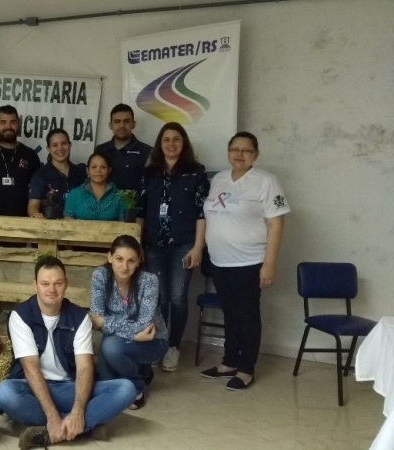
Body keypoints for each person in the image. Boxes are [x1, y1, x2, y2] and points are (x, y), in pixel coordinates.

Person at [0, 257, 136, 450]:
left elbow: (85, 367)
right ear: (35, 285)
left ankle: (53, 431)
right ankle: (81, 427)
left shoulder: (80, 317)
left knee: (126, 389)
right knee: (4, 393)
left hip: (69, 388)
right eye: (45, 284)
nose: (52, 289)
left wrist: (77, 411)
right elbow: (30, 368)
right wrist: (52, 416)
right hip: (32, 388)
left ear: (66, 284)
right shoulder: (21, 316)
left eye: (58, 283)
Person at [200, 131, 290, 390]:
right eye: (234, 149)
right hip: (220, 261)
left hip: (249, 262)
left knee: (247, 315)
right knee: (229, 313)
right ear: (228, 152)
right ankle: (229, 362)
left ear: (256, 155)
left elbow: (276, 224)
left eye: (246, 150)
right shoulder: (219, 179)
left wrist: (269, 264)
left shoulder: (266, 181)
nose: (239, 154)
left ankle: (246, 369)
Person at [137, 122, 210, 372]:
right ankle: (158, 343)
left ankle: (173, 347)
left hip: (183, 245)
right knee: (159, 298)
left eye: (176, 139)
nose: (171, 144)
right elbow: (140, 212)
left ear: (183, 143)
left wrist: (198, 246)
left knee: (178, 298)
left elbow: (202, 213)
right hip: (153, 245)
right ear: (159, 144)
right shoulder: (149, 173)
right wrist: (138, 245)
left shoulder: (196, 172)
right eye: (166, 139)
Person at [89, 235, 169, 410]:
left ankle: (137, 386)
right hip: (123, 338)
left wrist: (105, 322)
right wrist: (133, 334)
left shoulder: (149, 280)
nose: (124, 267)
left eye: (131, 261)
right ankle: (143, 371)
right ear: (109, 257)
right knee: (104, 383)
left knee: (110, 347)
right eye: (119, 259)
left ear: (139, 261)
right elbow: (95, 320)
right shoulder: (100, 275)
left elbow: (143, 326)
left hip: (153, 341)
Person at [27, 129, 87, 219]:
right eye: (55, 145)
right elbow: (33, 205)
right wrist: (36, 215)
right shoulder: (40, 175)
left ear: (70, 145)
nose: (60, 148)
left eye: (64, 143)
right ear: (48, 149)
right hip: (49, 226)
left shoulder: (81, 172)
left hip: (79, 225)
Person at [93, 104, 152, 192]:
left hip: (135, 201)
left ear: (133, 124)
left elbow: (151, 187)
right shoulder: (100, 150)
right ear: (110, 125)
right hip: (103, 201)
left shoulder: (147, 152)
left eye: (126, 121)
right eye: (117, 121)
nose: (122, 125)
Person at [63, 153, 126, 221]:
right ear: (87, 170)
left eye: (103, 167)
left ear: (109, 170)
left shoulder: (121, 196)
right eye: (94, 167)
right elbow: (67, 224)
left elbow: (125, 225)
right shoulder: (74, 194)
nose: (98, 171)